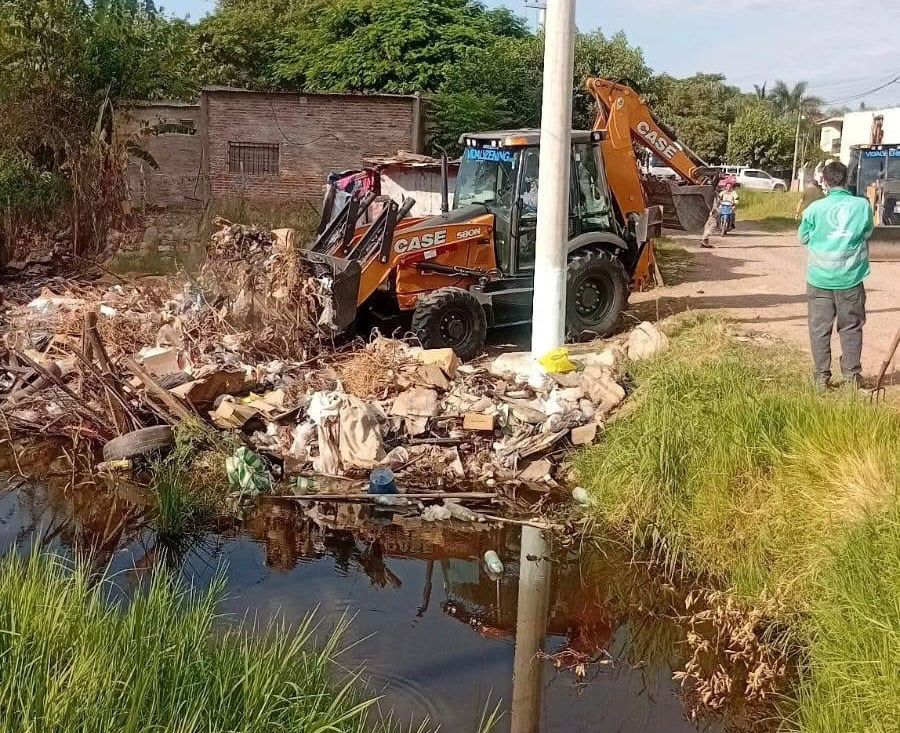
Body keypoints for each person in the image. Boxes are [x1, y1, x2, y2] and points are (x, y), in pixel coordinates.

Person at [798, 161, 873, 389]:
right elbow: (867, 231)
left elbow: (803, 238)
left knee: (819, 329)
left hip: (819, 278)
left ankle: (821, 378)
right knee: (851, 327)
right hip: (850, 278)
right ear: (847, 179)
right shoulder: (862, 206)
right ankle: (851, 377)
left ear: (825, 181)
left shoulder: (814, 210)